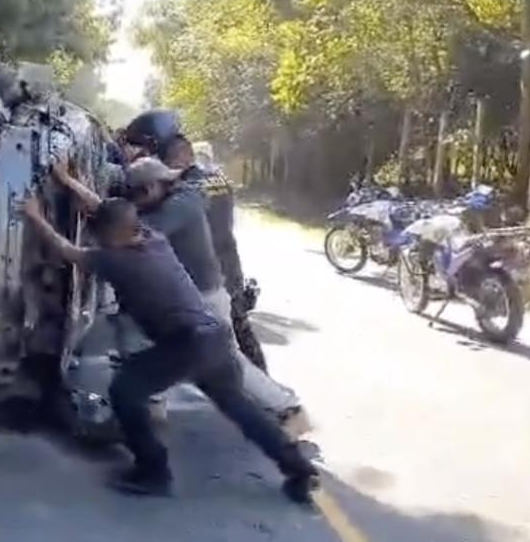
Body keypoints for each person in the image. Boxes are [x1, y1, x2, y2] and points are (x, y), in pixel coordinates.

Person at [22, 194, 319, 502]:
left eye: (99, 233)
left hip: (187, 344)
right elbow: (107, 211)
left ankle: (154, 471)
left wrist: (35, 216)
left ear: (110, 235)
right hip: (215, 337)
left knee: (125, 391)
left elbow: (67, 251)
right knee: (241, 409)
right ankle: (299, 468)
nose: (96, 238)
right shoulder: (152, 237)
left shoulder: (114, 260)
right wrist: (69, 182)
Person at [53, 158, 311, 439]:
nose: (133, 202)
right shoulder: (177, 197)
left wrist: (88, 215)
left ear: (152, 187)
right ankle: (150, 406)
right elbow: (112, 216)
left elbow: (121, 227)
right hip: (189, 298)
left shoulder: (177, 209)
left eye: (135, 194)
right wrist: (69, 182)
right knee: (136, 338)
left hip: (203, 299)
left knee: (227, 364)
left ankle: (290, 409)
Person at [160, 135, 268, 372]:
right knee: (241, 328)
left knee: (223, 340)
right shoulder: (221, 180)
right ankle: (263, 379)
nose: (168, 166)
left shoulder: (189, 188)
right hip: (229, 262)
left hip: (209, 270)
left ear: (185, 156)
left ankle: (250, 383)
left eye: (170, 160)